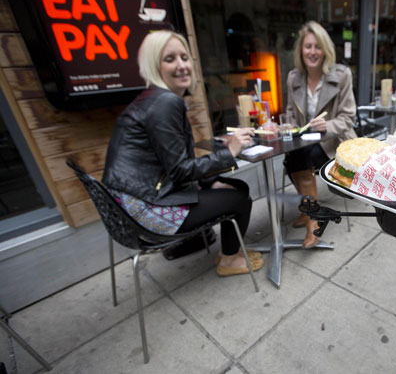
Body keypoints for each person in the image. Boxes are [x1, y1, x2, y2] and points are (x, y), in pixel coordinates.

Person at [102, 30, 263, 277]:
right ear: (154, 65)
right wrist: (229, 152)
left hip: (135, 203)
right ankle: (229, 260)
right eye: (170, 59)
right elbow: (179, 171)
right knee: (240, 197)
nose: (182, 66)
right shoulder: (165, 103)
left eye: (184, 57)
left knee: (233, 186)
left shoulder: (154, 99)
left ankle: (228, 252)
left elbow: (173, 165)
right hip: (147, 211)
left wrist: (211, 180)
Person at [284, 21, 357, 248]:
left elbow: (347, 119)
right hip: (304, 141)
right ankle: (309, 211)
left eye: (317, 46)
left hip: (334, 142)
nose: (312, 52)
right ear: (301, 50)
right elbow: (289, 113)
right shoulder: (293, 78)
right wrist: (287, 125)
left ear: (325, 49)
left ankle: (312, 217)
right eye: (308, 47)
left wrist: (326, 126)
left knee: (297, 159)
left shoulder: (341, 75)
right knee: (291, 159)